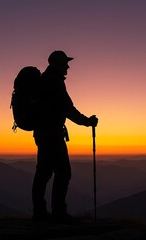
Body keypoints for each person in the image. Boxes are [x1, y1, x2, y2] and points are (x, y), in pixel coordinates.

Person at [32, 50, 98, 223]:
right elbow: (68, 109)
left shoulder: (44, 80)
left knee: (43, 173)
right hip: (52, 134)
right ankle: (58, 213)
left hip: (42, 133)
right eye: (64, 63)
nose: (67, 66)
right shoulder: (54, 82)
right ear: (56, 64)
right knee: (63, 172)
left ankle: (40, 213)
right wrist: (87, 122)